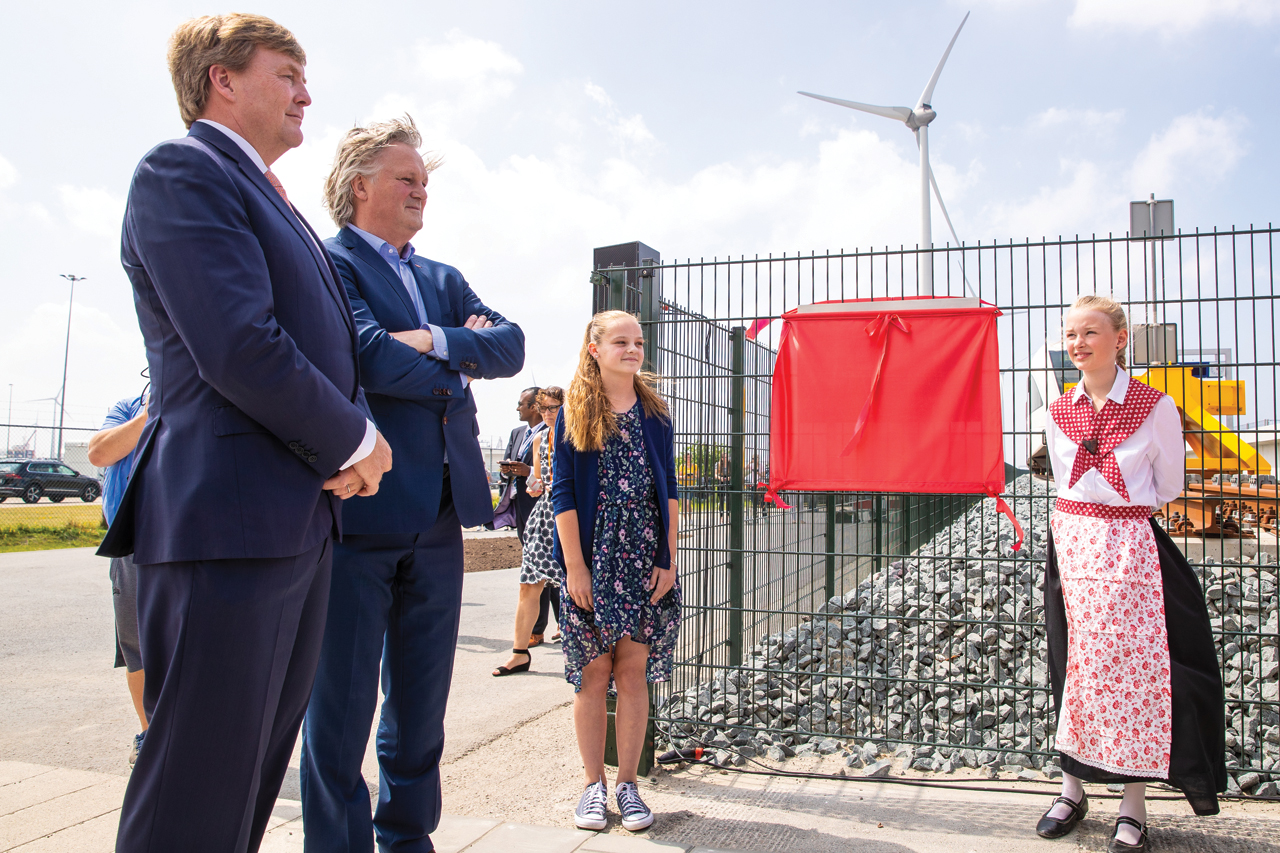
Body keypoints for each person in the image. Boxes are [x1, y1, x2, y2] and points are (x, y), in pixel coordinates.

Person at [101, 14, 394, 853]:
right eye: (288, 73)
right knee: (194, 794)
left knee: (244, 788)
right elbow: (238, 343)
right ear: (221, 80)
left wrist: (350, 434)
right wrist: (355, 439)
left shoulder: (270, 195)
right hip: (227, 528)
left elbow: (313, 347)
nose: (307, 92)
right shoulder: (181, 171)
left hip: (288, 524)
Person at [301, 115, 524, 853]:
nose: (421, 191)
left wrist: (434, 341)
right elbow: (365, 356)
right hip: (358, 516)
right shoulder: (328, 264)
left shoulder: (442, 278)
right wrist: (459, 368)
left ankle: (405, 840)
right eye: (408, 178)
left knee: (421, 706)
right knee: (340, 709)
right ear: (360, 185)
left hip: (438, 519)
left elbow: (512, 345)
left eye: (425, 182)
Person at [1035, 295, 1225, 853]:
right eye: (1070, 334)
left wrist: (1119, 511)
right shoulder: (1055, 410)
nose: (1078, 344)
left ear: (1119, 338)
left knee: (1135, 672)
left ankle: (1132, 806)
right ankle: (1071, 789)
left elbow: (1168, 486)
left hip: (1128, 548)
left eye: (1090, 332)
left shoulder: (1156, 407)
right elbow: (1065, 482)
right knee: (1071, 661)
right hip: (1070, 546)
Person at [552, 310, 681, 833]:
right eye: (621, 342)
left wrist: (667, 558)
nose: (632, 350)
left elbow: (670, 490)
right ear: (594, 349)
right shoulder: (574, 410)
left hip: (642, 560)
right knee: (592, 674)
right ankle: (592, 786)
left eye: (639, 342)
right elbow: (563, 492)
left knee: (631, 673)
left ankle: (628, 784)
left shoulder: (655, 412)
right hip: (593, 560)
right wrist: (575, 567)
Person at [86, 389, 148, 766]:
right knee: (136, 646)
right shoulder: (129, 407)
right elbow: (99, 452)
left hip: (187, 541)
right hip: (132, 543)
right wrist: (158, 406)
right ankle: (148, 732)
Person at [494, 386, 564, 676]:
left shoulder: (577, 437)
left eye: (554, 408)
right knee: (529, 584)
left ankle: (587, 655)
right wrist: (532, 483)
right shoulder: (540, 440)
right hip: (544, 514)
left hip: (569, 514)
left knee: (576, 587)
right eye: (544, 408)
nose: (548, 413)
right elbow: (536, 482)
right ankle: (519, 653)